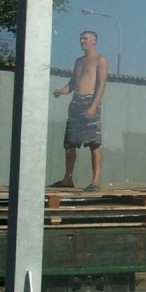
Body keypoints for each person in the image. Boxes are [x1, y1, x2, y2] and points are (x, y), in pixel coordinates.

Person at [51, 30, 109, 191]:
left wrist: (93, 106)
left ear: (94, 41)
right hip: (76, 103)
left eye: (85, 39)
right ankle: (67, 179)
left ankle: (95, 181)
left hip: (90, 102)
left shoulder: (100, 60)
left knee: (94, 143)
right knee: (70, 143)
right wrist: (61, 91)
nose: (82, 41)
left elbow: (101, 85)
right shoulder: (79, 61)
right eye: (81, 39)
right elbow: (72, 83)